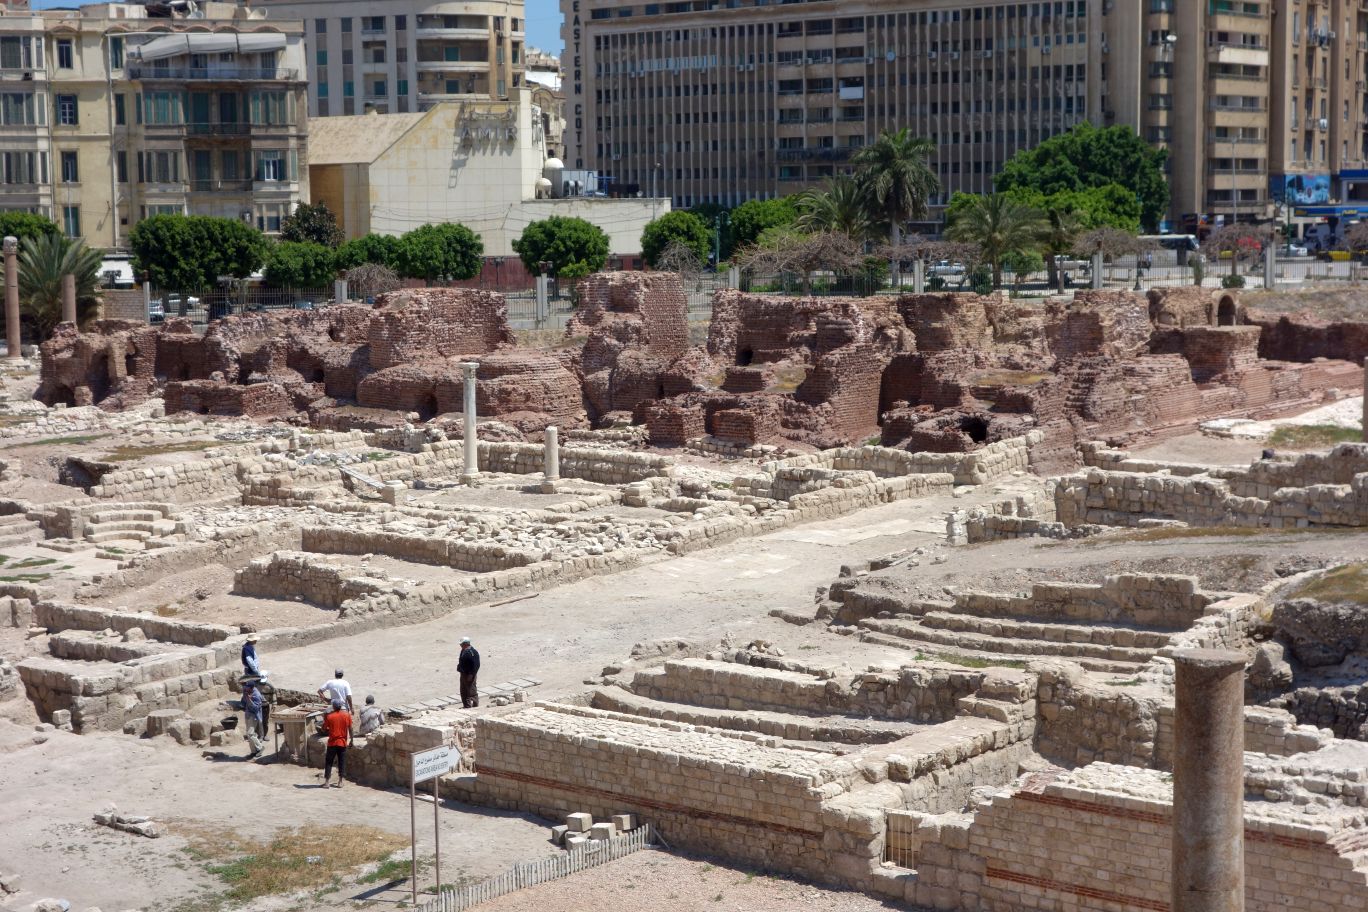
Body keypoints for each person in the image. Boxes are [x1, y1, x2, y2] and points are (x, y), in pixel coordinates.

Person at [321, 699, 352, 788]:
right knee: (341, 762)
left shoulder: (330, 717)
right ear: (341, 706)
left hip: (332, 743)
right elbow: (350, 728)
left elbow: (323, 729)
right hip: (342, 743)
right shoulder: (347, 715)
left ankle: (327, 782)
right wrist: (352, 740)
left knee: (329, 762)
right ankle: (340, 782)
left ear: (333, 707)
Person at [242, 681, 265, 758]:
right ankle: (253, 751)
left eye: (247, 687)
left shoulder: (257, 695)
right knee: (249, 735)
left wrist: (249, 700)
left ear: (251, 688)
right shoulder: (247, 691)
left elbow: (256, 708)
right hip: (248, 715)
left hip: (254, 717)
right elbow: (243, 702)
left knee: (250, 734)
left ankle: (260, 747)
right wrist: (245, 695)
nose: (245, 688)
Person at [458, 636, 480, 708]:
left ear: (466, 644)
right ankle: (467, 705)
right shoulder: (464, 650)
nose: (460, 645)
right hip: (463, 673)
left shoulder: (472, 652)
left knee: (471, 689)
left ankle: (475, 704)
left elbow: (476, 665)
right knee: (463, 690)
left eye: (462, 644)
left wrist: (471, 675)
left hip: (469, 674)